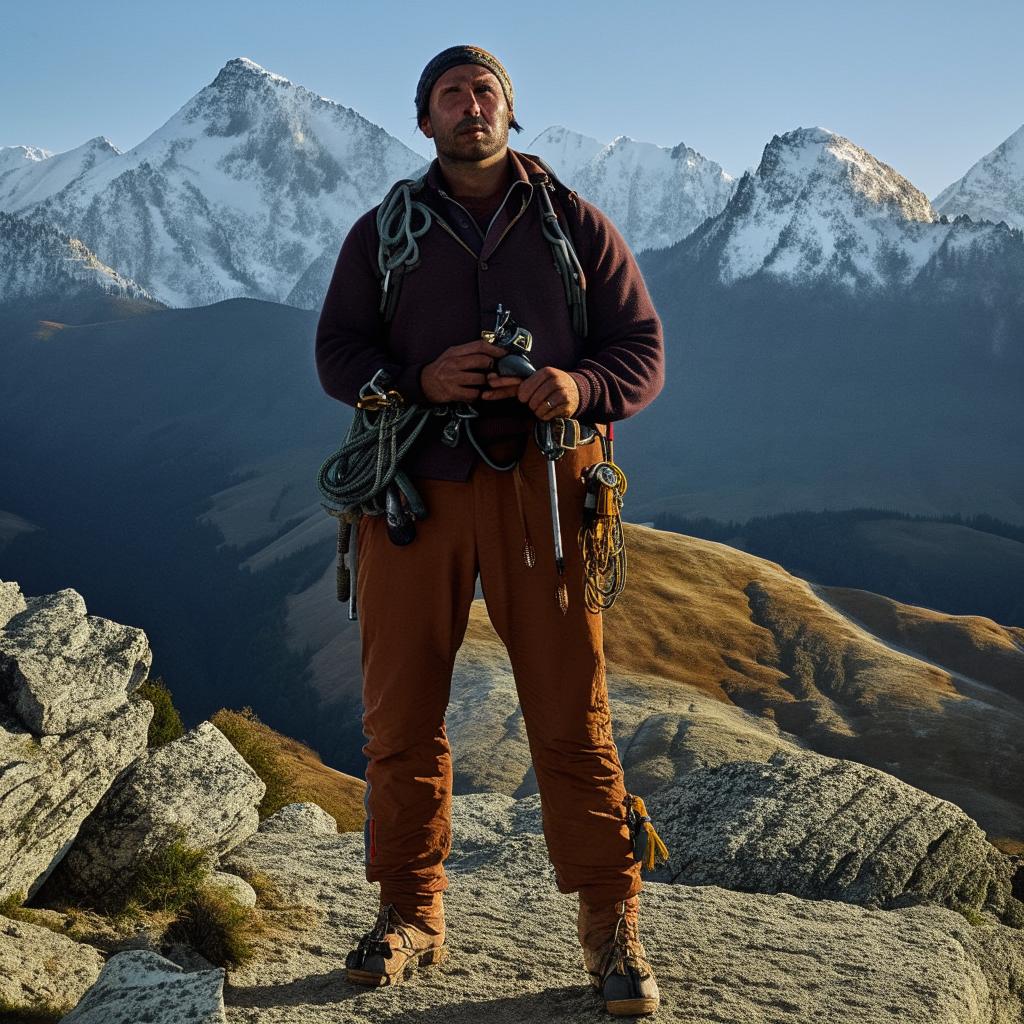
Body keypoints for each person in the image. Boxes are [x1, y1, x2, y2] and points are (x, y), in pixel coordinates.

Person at [314, 44, 665, 1016]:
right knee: (400, 719)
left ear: (512, 113)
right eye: (451, 95)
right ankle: (409, 913)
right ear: (422, 120)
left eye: (485, 93)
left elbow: (637, 351)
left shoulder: (574, 227)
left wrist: (578, 386)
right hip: (412, 494)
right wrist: (414, 382)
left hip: (544, 493)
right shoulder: (382, 232)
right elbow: (337, 349)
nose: (470, 107)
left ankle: (610, 922)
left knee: (570, 716)